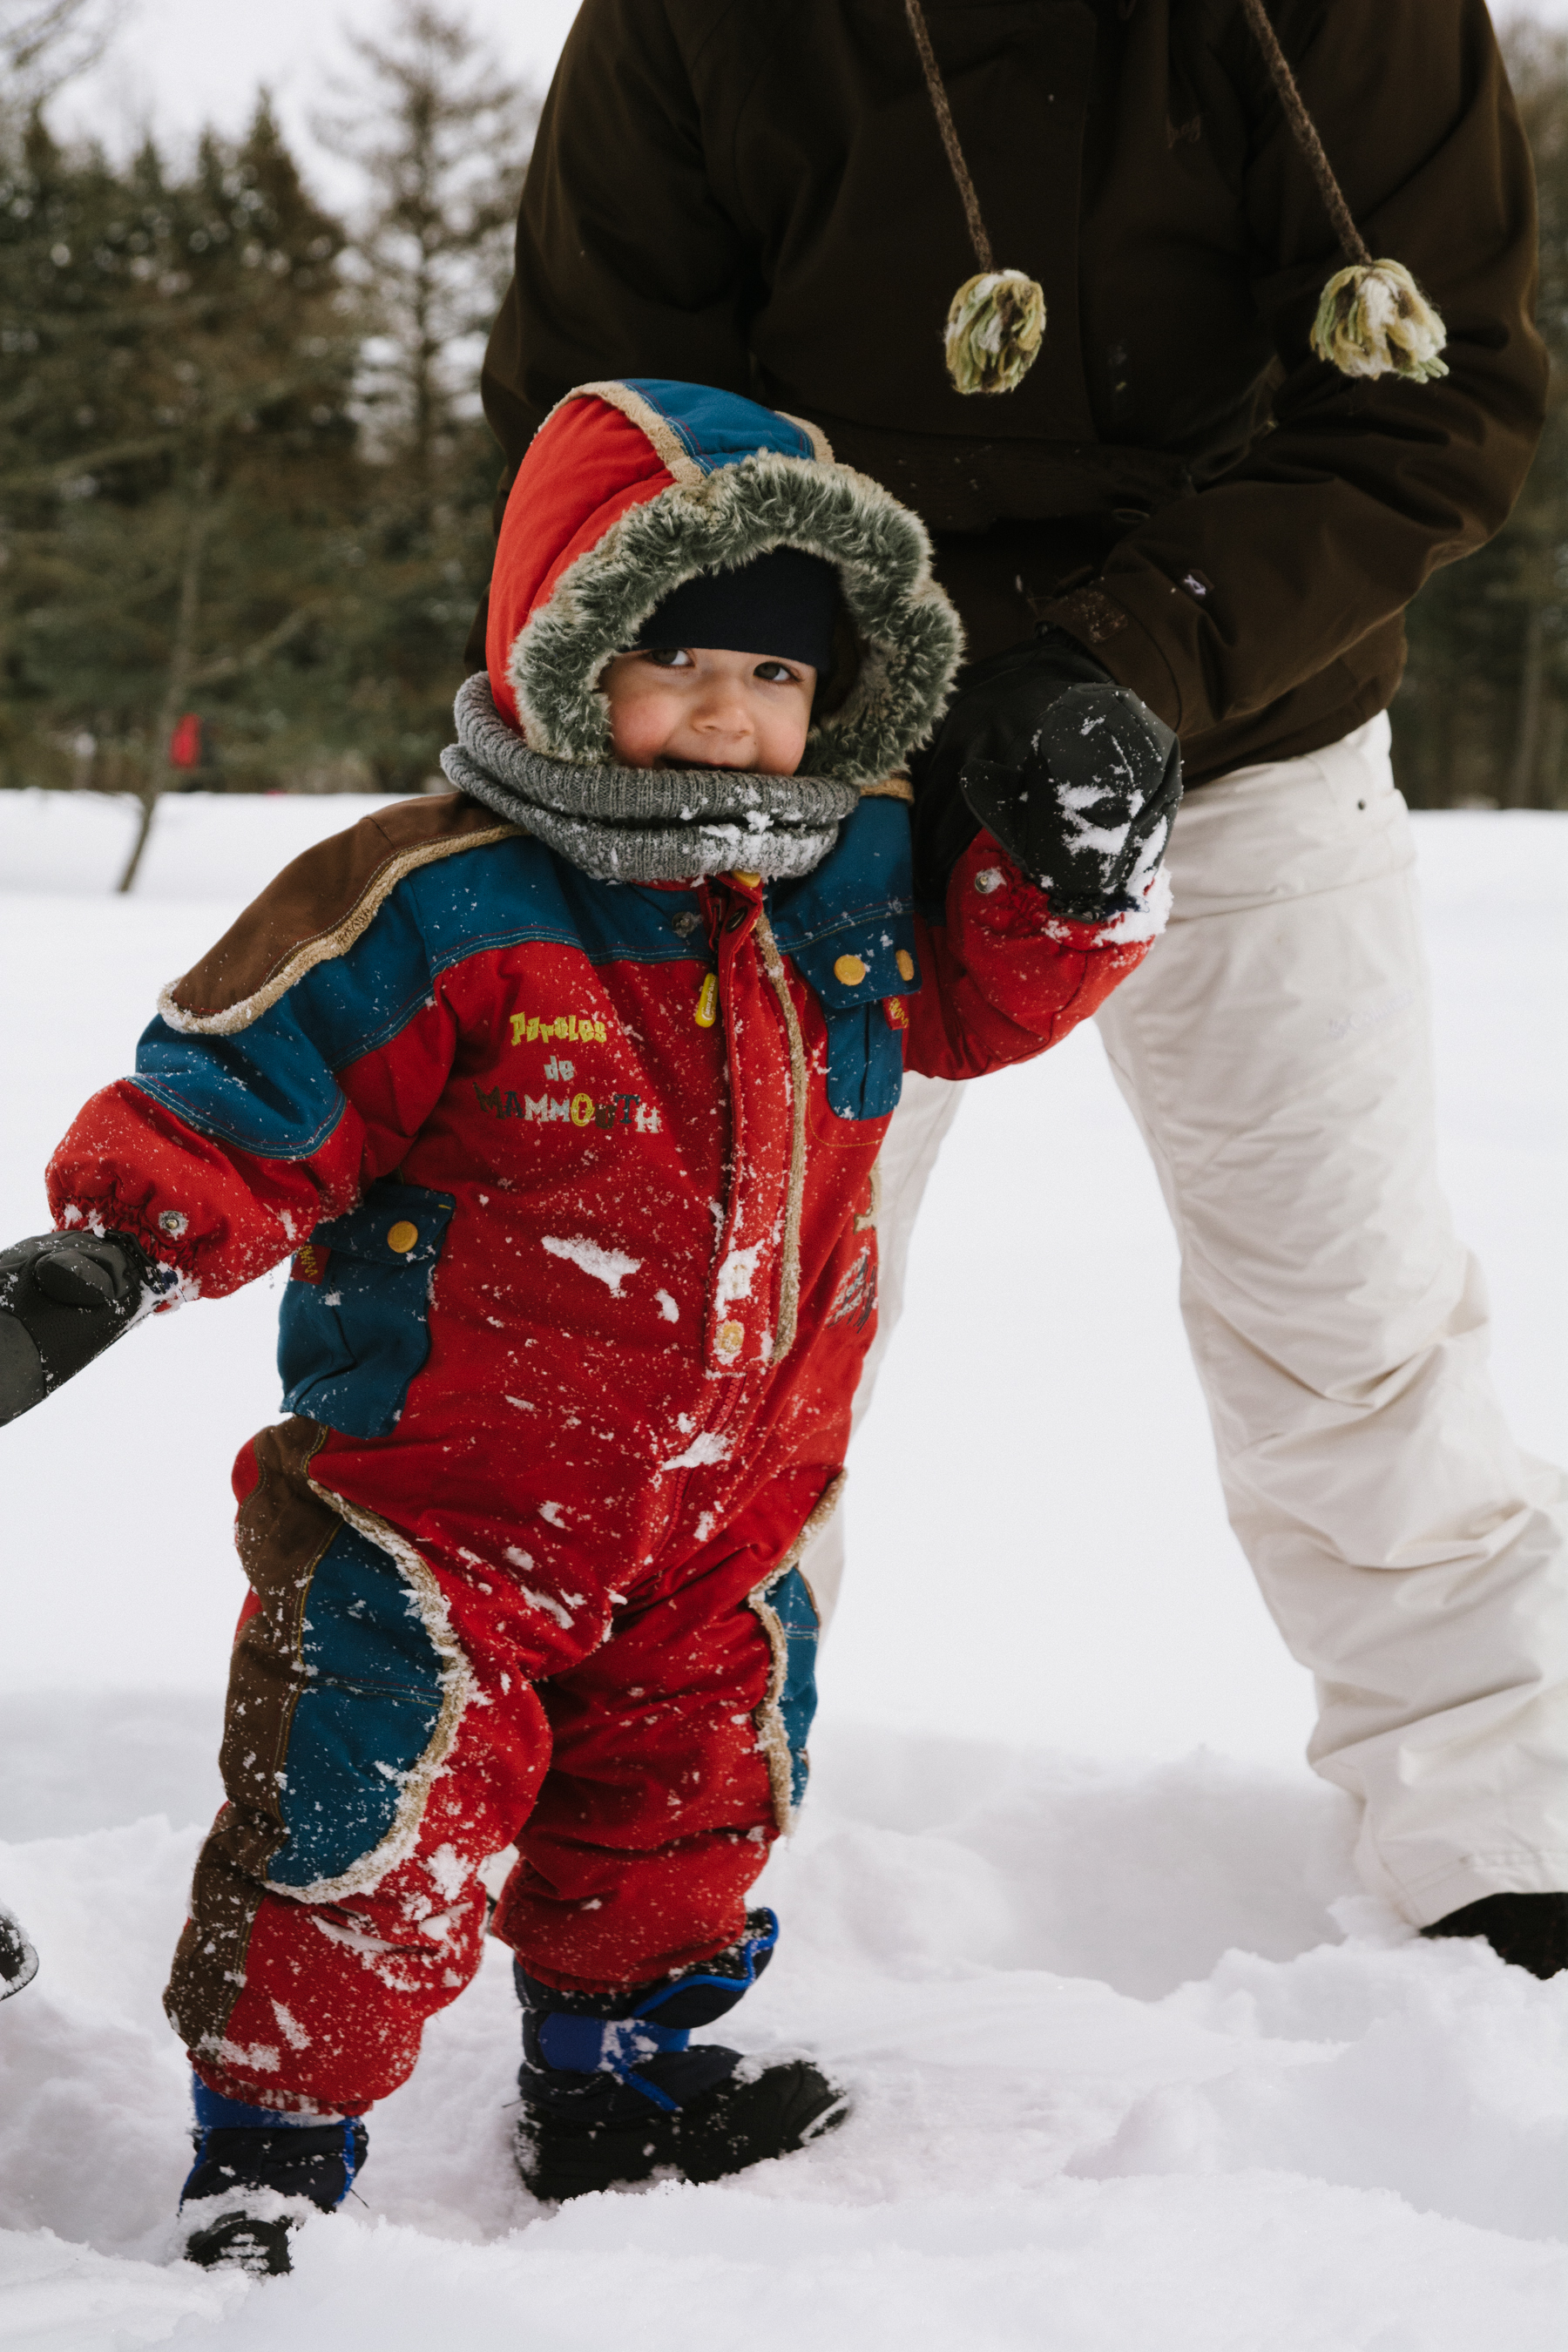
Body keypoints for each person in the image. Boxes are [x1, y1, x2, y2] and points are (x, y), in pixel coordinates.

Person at [0, 378, 1177, 2273]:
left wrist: (1075, 877)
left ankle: (620, 2078)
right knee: (361, 1828)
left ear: (841, 697)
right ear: (565, 654)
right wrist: (112, 1256)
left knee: (691, 1810)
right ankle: (270, 2156)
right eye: (679, 655)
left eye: (780, 676)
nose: (732, 710)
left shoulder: (852, 881)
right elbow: (250, 1083)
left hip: (725, 1510)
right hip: (441, 1517)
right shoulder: (441, 898)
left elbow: (985, 999)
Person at [470, 0, 1568, 1984]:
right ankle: (653, 1854)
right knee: (728, 1328)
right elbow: (604, 400)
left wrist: (1129, 658)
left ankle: (1505, 1825)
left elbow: (1442, 390)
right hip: (804, 758)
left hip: (1248, 727)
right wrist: (788, 675)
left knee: (1349, 1304)